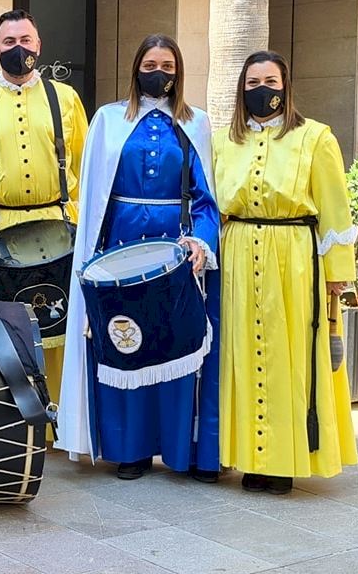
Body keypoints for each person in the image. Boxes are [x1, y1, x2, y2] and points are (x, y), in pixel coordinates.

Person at [55, 34, 220, 482]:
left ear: (178, 72)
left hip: (175, 253)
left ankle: (179, 451)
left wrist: (200, 242)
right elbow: (95, 196)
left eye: (167, 66)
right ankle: (130, 450)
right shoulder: (109, 120)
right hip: (119, 249)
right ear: (136, 69)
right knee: (125, 343)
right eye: (150, 65)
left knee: (175, 344)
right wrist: (94, 257)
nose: (158, 73)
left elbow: (206, 200)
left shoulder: (196, 124)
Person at [214, 50, 358, 494]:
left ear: (286, 86)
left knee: (287, 359)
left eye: (270, 82)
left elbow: (335, 210)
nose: (262, 91)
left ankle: (282, 461)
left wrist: (337, 274)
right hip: (238, 256)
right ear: (241, 90)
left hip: (294, 259)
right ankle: (247, 458)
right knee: (241, 356)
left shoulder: (316, 138)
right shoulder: (223, 141)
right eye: (253, 83)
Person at [0, 10, 88, 409]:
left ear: (39, 45)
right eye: (9, 42)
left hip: (56, 226)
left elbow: (84, 162)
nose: (19, 49)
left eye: (25, 40)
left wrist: (77, 213)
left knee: (60, 330)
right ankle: (5, 420)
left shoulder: (65, 98)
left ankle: (60, 423)